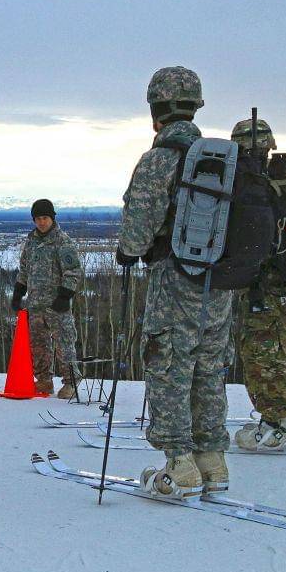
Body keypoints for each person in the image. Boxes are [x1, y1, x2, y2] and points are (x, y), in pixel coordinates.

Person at [116, 66, 231, 500]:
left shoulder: (160, 159)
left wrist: (127, 252)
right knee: (208, 368)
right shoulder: (222, 161)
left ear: (155, 111)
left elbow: (138, 227)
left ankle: (179, 466)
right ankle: (212, 461)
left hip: (174, 279)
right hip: (217, 286)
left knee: (168, 365)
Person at [230, 119, 286, 450]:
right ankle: (282, 416)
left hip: (265, 285)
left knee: (262, 353)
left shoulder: (250, 186)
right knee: (284, 350)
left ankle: (278, 425)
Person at [11, 199, 83, 398]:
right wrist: (18, 292)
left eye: (45, 218)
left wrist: (65, 295)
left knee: (64, 343)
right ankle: (43, 381)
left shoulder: (62, 240)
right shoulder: (32, 240)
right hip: (35, 304)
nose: (41, 222)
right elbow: (25, 268)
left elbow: (73, 270)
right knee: (38, 344)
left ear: (52, 218)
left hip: (56, 304)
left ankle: (71, 382)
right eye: (38, 219)